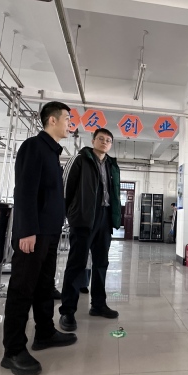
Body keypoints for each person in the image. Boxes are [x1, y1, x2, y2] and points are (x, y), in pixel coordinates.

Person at [1, 101, 77, 375]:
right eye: (67, 118)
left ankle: (44, 332)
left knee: (45, 285)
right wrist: (26, 230)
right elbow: (24, 191)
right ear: (52, 120)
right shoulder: (34, 147)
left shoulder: (52, 152)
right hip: (34, 233)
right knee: (22, 289)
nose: (70, 124)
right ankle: (12, 351)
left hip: (50, 232)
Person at [58, 128, 121, 331]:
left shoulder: (111, 165)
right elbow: (65, 188)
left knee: (101, 263)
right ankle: (67, 311)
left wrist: (114, 217)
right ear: (93, 140)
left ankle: (98, 305)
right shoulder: (80, 160)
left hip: (104, 218)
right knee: (77, 263)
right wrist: (69, 215)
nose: (104, 142)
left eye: (108, 140)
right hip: (83, 219)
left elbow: (114, 193)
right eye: (101, 138)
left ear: (111, 144)